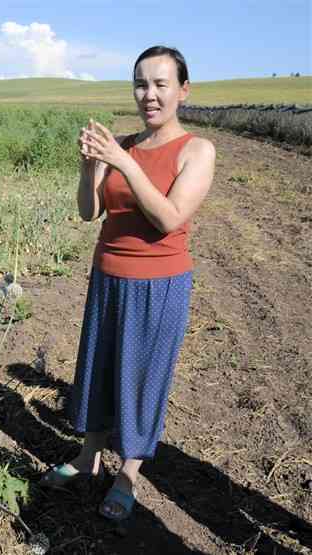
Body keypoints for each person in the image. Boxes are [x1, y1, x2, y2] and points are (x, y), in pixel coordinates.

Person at [40, 45, 216, 523]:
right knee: (97, 367)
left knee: (142, 377)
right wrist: (88, 166)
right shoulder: (122, 146)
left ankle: (129, 474)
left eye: (161, 84)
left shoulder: (197, 150)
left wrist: (122, 160)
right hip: (108, 274)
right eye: (141, 83)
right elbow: (89, 212)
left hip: (159, 283)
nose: (149, 94)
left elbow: (169, 217)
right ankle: (88, 456)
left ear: (183, 91)